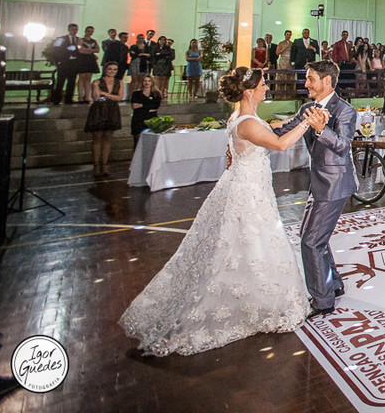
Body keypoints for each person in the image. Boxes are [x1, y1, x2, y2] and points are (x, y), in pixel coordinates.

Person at [120, 67, 319, 355]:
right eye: (263, 84)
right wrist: (309, 123)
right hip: (248, 193)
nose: (266, 88)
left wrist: (297, 118)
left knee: (248, 244)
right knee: (253, 241)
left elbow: (273, 129)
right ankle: (251, 301)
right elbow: (279, 143)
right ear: (249, 91)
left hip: (249, 187)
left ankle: (255, 294)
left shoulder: (244, 117)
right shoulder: (247, 122)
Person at [271, 61, 358, 318]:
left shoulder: (345, 111)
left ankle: (322, 301)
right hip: (317, 182)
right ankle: (333, 285)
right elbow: (285, 129)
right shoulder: (307, 108)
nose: (306, 83)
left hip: (335, 184)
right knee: (311, 236)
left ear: (327, 81)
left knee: (311, 241)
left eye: (310, 79)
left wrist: (322, 129)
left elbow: (343, 146)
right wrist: (252, 126)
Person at [85, 62, 124, 178]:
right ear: (105, 70)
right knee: (97, 138)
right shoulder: (97, 82)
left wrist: (104, 93)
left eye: (115, 70)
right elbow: (96, 97)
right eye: (110, 69)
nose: (112, 71)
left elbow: (119, 97)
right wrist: (104, 94)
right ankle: (96, 165)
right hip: (99, 110)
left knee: (108, 138)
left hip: (112, 110)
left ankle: (105, 164)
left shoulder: (119, 82)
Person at [48, 23, 81, 104]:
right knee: (60, 81)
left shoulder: (79, 40)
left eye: (76, 29)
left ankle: (69, 99)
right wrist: (58, 62)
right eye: (73, 29)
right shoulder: (62, 39)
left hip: (74, 64)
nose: (75, 31)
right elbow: (55, 51)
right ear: (69, 30)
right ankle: (57, 99)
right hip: (63, 64)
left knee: (72, 82)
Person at [130, 75, 163, 148]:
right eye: (145, 81)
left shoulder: (156, 94)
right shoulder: (136, 94)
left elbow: (155, 106)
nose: (147, 83)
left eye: (149, 81)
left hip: (151, 119)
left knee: (151, 143)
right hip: (138, 119)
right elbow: (134, 106)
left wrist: (142, 105)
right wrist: (148, 106)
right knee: (137, 141)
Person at [76, 25, 100, 104]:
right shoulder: (81, 40)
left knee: (88, 78)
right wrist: (90, 50)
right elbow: (79, 50)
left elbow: (97, 50)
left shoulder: (94, 41)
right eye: (89, 31)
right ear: (85, 31)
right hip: (82, 59)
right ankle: (80, 96)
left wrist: (87, 50)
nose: (90, 33)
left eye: (91, 31)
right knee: (82, 77)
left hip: (90, 60)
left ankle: (87, 96)